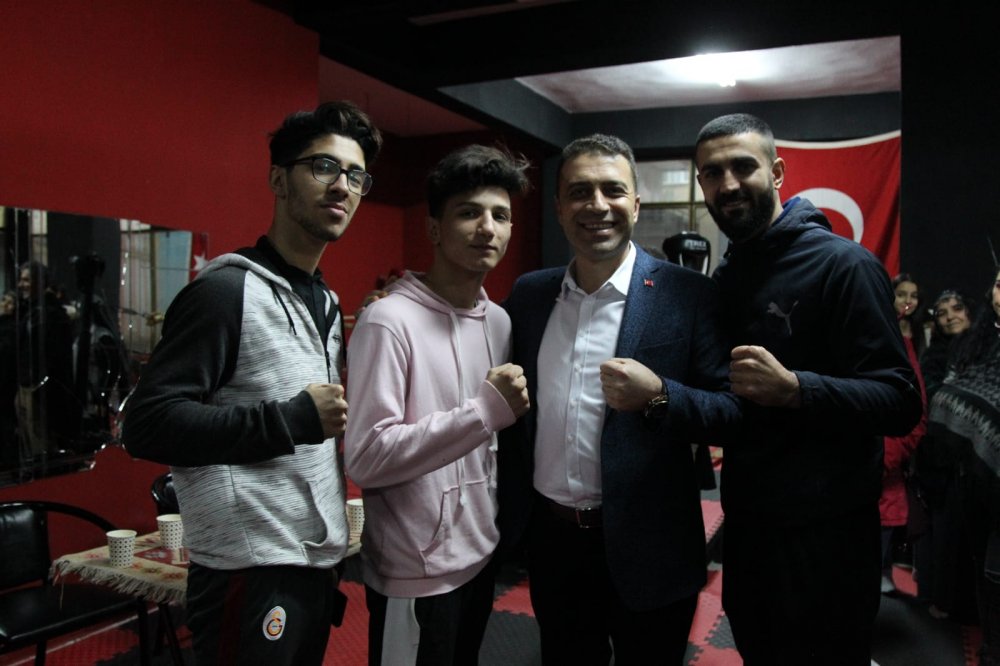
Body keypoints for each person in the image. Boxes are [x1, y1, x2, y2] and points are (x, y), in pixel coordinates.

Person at [123, 101, 382, 665]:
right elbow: (144, 424)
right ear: (278, 179)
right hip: (247, 567)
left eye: (356, 175)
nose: (342, 186)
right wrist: (291, 419)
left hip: (314, 561)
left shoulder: (326, 301)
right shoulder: (224, 293)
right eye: (323, 167)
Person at [499, 134, 741, 665]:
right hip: (553, 544)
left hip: (652, 544)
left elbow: (732, 414)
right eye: (579, 191)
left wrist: (660, 397)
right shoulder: (530, 296)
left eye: (612, 190)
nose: (597, 205)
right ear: (559, 207)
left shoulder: (689, 295)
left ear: (635, 203)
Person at [694, 113, 922, 665]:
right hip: (750, 527)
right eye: (712, 173)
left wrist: (798, 389)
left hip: (828, 537)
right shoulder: (728, 278)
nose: (728, 184)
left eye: (742, 167)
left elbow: (901, 401)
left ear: (776, 172)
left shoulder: (845, 266)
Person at [345, 144, 531, 666]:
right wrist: (483, 412)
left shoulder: (499, 322)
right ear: (433, 228)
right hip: (413, 571)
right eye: (469, 213)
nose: (487, 228)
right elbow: (366, 457)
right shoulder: (388, 321)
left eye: (500, 216)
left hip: (479, 554)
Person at [928, 267, 1000, 665]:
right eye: (999, 284)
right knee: (979, 565)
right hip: (967, 477)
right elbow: (943, 400)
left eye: (956, 308)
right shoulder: (972, 345)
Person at [914, 288, 979, 620]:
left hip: (980, 461)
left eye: (957, 308)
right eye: (942, 312)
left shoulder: (985, 350)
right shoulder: (934, 358)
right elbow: (934, 401)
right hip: (943, 460)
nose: (951, 316)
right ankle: (942, 600)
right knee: (945, 534)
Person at [879, 274, 928, 594]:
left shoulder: (920, 337)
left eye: (913, 295)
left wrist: (897, 451)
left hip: (895, 452)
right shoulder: (881, 330)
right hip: (878, 448)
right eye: (901, 294)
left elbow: (917, 404)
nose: (907, 301)